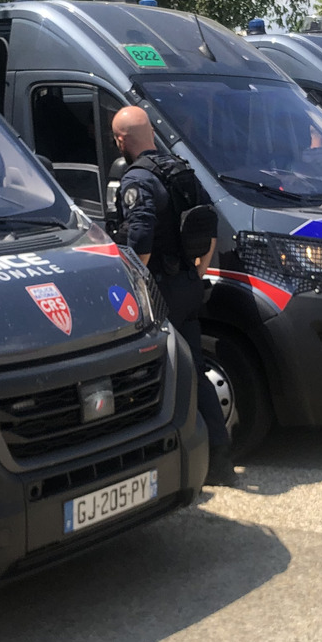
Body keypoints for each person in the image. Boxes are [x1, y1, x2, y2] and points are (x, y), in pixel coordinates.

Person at [111, 105, 235, 486]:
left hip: (158, 292)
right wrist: (195, 273)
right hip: (187, 284)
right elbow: (209, 226)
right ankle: (218, 463)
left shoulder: (137, 181)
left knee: (154, 378)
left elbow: (140, 245)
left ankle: (162, 469)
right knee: (195, 372)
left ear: (120, 141)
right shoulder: (180, 169)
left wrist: (135, 289)